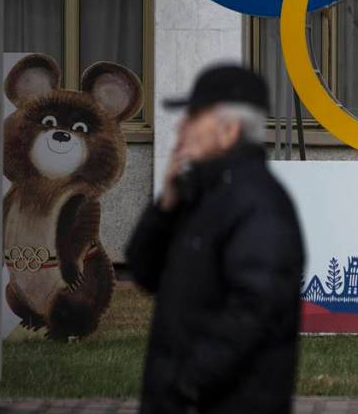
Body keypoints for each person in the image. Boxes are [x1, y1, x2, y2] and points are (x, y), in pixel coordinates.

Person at [126, 65, 304, 414]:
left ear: (228, 130)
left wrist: (187, 383)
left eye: (193, 116)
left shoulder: (258, 203)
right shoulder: (200, 194)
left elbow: (254, 310)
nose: (180, 127)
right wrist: (165, 207)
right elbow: (144, 270)